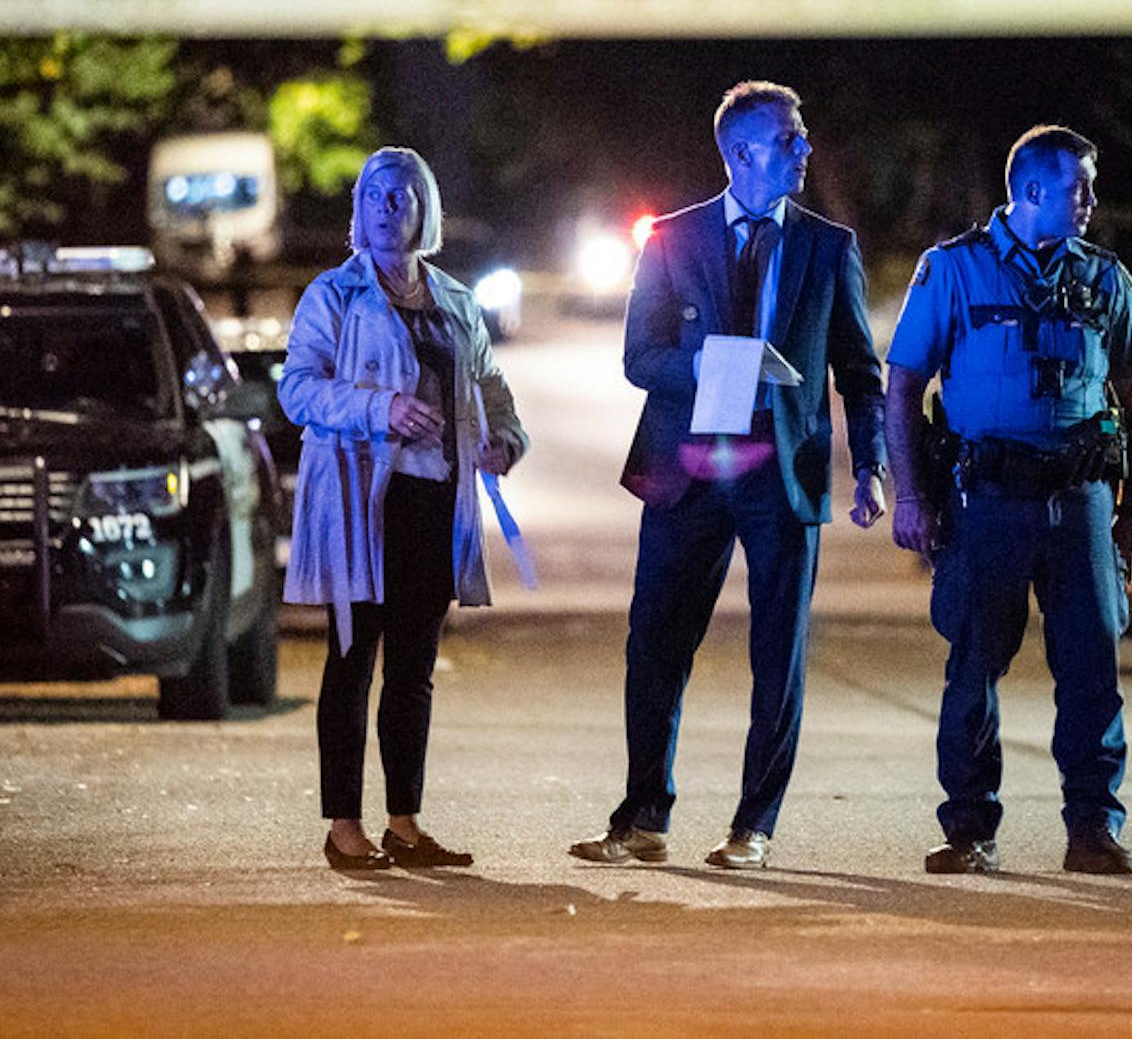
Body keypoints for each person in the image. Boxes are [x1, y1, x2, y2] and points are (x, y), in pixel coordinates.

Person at [570, 82, 887, 872]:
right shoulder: (672, 240)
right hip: (688, 466)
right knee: (654, 644)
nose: (804, 149)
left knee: (778, 653)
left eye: (803, 135)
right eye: (789, 139)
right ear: (740, 153)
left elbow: (859, 369)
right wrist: (708, 361)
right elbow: (639, 357)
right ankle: (643, 815)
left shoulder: (827, 246)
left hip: (781, 469)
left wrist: (873, 465)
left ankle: (754, 824)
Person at [884, 124, 1132, 877]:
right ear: (1033, 190)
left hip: (1079, 503)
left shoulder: (1106, 278)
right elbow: (904, 384)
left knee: (1092, 670)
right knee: (973, 667)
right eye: (1080, 187)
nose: (1092, 201)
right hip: (985, 501)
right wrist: (910, 493)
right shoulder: (953, 270)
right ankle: (969, 828)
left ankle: (1093, 829)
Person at [280, 146, 528, 870]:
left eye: (403, 196)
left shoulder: (454, 299)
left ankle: (405, 821)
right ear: (357, 210)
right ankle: (343, 824)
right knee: (353, 660)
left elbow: (490, 384)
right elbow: (297, 389)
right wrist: (378, 407)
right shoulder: (334, 294)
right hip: (364, 500)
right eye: (376, 196)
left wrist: (506, 439)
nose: (389, 207)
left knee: (415, 666)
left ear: (426, 210)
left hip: (433, 501)